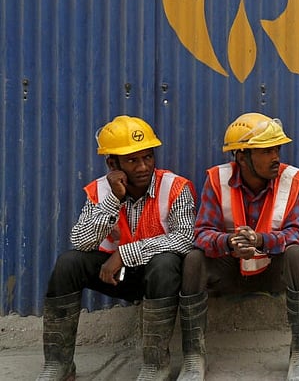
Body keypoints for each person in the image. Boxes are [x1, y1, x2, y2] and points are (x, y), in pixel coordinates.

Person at [37, 116, 196, 381]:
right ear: (113, 164)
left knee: (166, 263)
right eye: (133, 160)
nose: (143, 166)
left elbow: (185, 238)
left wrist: (124, 254)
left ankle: (156, 366)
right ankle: (59, 365)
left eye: (148, 157)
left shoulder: (175, 186)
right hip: (116, 277)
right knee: (68, 263)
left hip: (161, 279)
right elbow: (81, 242)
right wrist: (114, 200)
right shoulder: (100, 190)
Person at [178, 112, 299, 381]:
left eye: (277, 148)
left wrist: (262, 240)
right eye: (266, 151)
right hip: (230, 271)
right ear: (242, 157)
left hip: (271, 272)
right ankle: (193, 355)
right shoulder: (218, 179)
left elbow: (298, 233)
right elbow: (201, 234)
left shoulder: (290, 180)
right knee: (194, 258)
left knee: (297, 254)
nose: (276, 156)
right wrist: (228, 242)